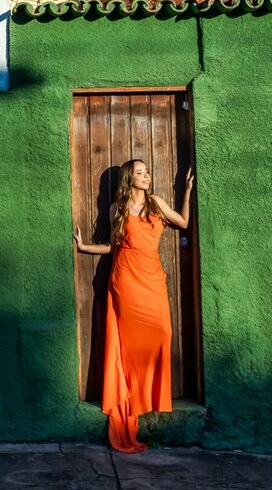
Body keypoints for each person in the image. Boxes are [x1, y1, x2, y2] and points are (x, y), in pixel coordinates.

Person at [73, 158, 194, 453]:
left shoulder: (156, 202)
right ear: (130, 178)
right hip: (125, 280)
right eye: (140, 173)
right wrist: (85, 247)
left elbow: (183, 222)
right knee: (128, 349)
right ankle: (128, 402)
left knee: (162, 334)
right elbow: (112, 246)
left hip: (153, 280)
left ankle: (143, 398)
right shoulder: (117, 208)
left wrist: (187, 192)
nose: (146, 176)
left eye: (147, 171)